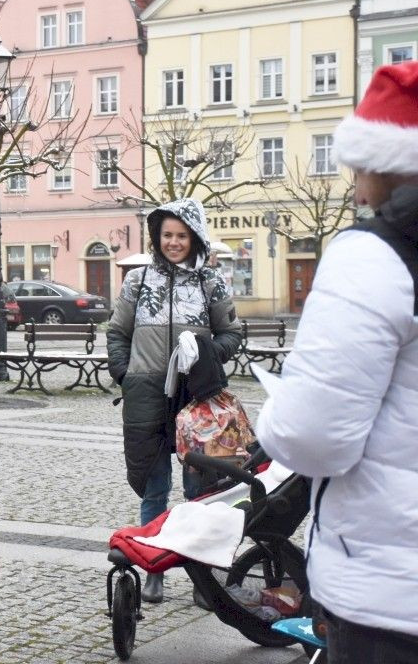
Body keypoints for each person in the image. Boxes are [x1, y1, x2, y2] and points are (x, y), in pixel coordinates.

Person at [254, 62, 418, 663]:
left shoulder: (375, 259)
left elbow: (311, 437)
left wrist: (275, 416)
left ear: (380, 161)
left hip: (392, 592)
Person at [105, 197, 241, 604]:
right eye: (167, 235)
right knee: (153, 485)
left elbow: (231, 335)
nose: (174, 242)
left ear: (195, 237)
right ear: (157, 236)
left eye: (182, 235)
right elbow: (117, 333)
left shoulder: (211, 282)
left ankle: (203, 579)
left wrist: (202, 354)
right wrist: (123, 373)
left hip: (195, 395)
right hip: (145, 393)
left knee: (199, 489)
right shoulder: (137, 281)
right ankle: (154, 568)